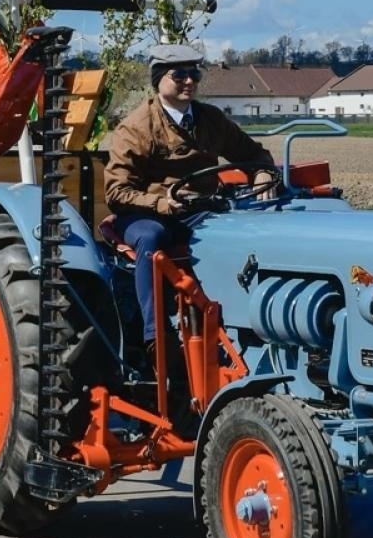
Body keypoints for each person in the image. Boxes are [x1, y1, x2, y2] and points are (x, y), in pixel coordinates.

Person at [103, 44, 277, 357]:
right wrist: (160, 204)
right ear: (158, 80)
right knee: (151, 237)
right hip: (147, 214)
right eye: (179, 74)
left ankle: (246, 324)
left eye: (194, 74)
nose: (189, 81)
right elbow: (117, 193)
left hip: (200, 210)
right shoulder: (137, 127)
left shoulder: (210, 119)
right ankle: (155, 337)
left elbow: (252, 153)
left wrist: (263, 171)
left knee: (245, 230)